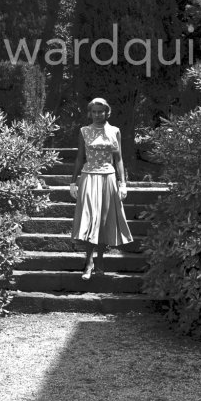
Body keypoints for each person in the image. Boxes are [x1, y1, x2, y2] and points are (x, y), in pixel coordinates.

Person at [70, 97, 133, 279]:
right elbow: (79, 157)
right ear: (90, 113)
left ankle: (100, 260)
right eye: (94, 112)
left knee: (104, 220)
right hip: (89, 176)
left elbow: (119, 159)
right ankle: (88, 261)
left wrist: (123, 183)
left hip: (108, 177)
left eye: (101, 111)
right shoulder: (84, 131)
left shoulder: (115, 131)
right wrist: (73, 182)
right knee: (90, 218)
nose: (97, 115)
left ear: (107, 112)